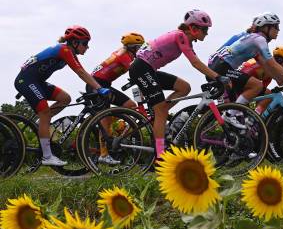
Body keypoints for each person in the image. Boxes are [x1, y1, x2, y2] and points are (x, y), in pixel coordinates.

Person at [128, 9, 224, 158]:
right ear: (193, 28)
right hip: (141, 68)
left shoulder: (184, 38)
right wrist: (217, 77)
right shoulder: (180, 36)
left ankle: (159, 110)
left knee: (184, 87)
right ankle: (160, 155)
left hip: (147, 69)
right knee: (161, 112)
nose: (206, 33)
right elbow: (195, 63)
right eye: (204, 29)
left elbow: (196, 62)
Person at [14, 26, 110, 166]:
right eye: (85, 43)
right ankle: (47, 157)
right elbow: (81, 72)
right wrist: (99, 88)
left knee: (65, 99)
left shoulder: (68, 52)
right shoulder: (64, 50)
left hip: (37, 81)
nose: (87, 47)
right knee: (45, 112)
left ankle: (42, 124)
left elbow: (81, 71)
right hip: (26, 80)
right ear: (74, 42)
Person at [208, 12, 283, 116]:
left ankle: (251, 118)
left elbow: (268, 68)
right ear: (266, 27)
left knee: (267, 94)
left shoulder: (254, 41)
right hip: (221, 67)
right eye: (276, 26)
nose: (278, 30)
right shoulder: (259, 40)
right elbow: (273, 64)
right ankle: (231, 115)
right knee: (256, 85)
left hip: (220, 66)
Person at [87, 32, 145, 164]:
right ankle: (103, 154)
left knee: (130, 105)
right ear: (132, 48)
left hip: (102, 84)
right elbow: (137, 74)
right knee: (105, 120)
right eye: (139, 47)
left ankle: (109, 124)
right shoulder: (125, 56)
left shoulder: (124, 53)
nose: (140, 50)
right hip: (97, 85)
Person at [237, 46, 283, 114]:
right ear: (279, 60)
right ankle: (255, 116)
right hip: (239, 80)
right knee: (268, 95)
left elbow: (265, 88)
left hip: (244, 82)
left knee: (266, 96)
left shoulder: (270, 72)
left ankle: (256, 116)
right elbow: (280, 80)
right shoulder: (266, 65)